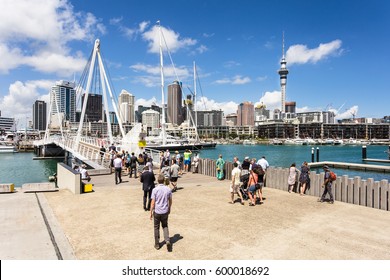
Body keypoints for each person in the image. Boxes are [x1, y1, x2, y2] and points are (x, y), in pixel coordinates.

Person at [150, 174, 173, 251]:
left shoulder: (155, 190)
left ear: (157, 180)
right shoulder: (168, 189)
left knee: (156, 227)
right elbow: (170, 200)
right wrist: (169, 208)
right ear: (164, 180)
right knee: (165, 225)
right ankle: (167, 240)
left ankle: (157, 244)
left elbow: (153, 202)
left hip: (157, 211)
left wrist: (150, 212)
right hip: (165, 210)